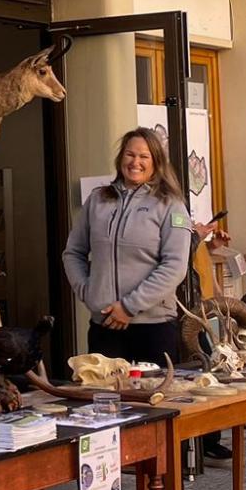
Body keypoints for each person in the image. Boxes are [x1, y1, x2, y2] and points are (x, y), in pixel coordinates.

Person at [62, 128, 194, 369]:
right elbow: (73, 252)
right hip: (105, 328)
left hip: (154, 330)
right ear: (120, 157)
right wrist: (88, 291)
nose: (135, 162)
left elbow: (175, 267)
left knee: (154, 405)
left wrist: (129, 307)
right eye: (130, 154)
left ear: (156, 162)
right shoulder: (98, 200)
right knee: (104, 403)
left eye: (144, 157)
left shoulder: (170, 205)